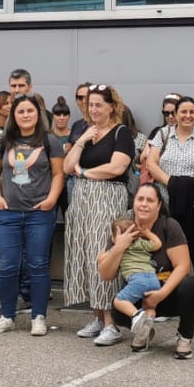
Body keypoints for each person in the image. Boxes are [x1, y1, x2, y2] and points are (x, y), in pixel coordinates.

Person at [63, 83, 137, 345]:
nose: (93, 109)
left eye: (98, 104)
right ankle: (96, 316)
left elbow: (116, 167)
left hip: (107, 198)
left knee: (103, 253)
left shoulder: (121, 133)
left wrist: (84, 173)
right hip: (82, 199)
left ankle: (111, 323)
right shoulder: (84, 131)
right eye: (90, 104)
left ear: (111, 106)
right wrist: (82, 142)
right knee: (84, 253)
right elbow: (66, 165)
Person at [0, 93, 65, 335]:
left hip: (38, 213)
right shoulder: (3, 141)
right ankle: (7, 316)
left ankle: (38, 317)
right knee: (8, 267)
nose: (25, 115)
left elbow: (59, 174)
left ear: (38, 114)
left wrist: (51, 199)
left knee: (38, 265)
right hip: (9, 213)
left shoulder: (50, 141)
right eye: (20, 111)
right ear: (13, 115)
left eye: (30, 111)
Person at [96, 184, 194, 358]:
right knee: (117, 311)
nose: (144, 204)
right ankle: (144, 330)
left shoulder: (169, 225)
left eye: (150, 200)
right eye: (140, 199)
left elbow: (183, 266)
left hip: (167, 292)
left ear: (159, 205)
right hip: (140, 293)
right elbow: (106, 275)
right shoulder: (123, 226)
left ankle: (185, 336)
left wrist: (161, 294)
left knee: (193, 286)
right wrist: (119, 247)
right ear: (134, 202)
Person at [142, 95, 194, 322]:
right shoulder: (163, 135)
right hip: (167, 206)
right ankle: (166, 302)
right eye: (183, 112)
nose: (187, 116)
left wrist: (186, 185)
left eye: (191, 112)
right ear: (174, 114)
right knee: (165, 255)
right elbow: (151, 163)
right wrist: (171, 184)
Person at [106, 213, 164, 331]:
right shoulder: (142, 243)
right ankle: (147, 325)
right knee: (148, 305)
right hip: (154, 280)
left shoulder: (121, 248)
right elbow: (158, 244)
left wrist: (117, 246)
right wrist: (147, 233)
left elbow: (102, 259)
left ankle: (137, 316)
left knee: (119, 301)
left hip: (137, 280)